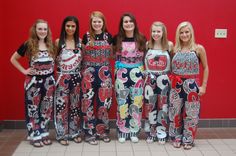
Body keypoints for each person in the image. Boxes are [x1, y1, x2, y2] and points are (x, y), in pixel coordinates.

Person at [10, 19, 56, 147]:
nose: (42, 31)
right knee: (33, 109)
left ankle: (44, 132)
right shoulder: (28, 44)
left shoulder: (51, 45)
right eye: (40, 29)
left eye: (45, 29)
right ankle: (34, 133)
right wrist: (24, 71)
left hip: (49, 82)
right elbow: (13, 59)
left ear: (48, 31)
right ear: (35, 30)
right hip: (33, 83)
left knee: (46, 109)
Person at [169, 21, 209, 150]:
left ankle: (188, 139)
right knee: (175, 112)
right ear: (178, 34)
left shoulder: (198, 49)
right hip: (176, 85)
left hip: (192, 85)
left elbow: (206, 67)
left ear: (191, 32)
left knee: (192, 113)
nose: (184, 34)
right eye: (181, 32)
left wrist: (203, 86)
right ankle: (176, 137)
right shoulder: (174, 49)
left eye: (187, 32)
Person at [113, 13, 146, 143]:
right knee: (122, 101)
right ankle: (122, 130)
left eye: (130, 21)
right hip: (121, 74)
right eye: (125, 21)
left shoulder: (142, 38)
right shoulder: (116, 39)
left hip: (137, 74)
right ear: (122, 24)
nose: (128, 24)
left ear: (134, 23)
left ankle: (134, 130)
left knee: (136, 102)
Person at [81, 11, 113, 145]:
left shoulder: (108, 36)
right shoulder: (86, 36)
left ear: (103, 22)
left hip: (104, 73)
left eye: (99, 21)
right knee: (87, 103)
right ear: (91, 23)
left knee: (104, 104)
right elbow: (82, 54)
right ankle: (89, 132)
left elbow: (111, 54)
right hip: (89, 73)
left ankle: (102, 130)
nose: (97, 24)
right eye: (94, 21)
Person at [54, 16, 83, 146]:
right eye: (68, 26)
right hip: (62, 78)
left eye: (73, 26)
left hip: (76, 78)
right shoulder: (58, 42)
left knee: (75, 106)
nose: (70, 28)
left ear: (76, 28)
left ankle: (74, 132)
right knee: (62, 107)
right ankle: (61, 134)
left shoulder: (80, 43)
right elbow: (53, 60)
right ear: (64, 27)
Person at [144, 21, 173, 144]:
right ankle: (151, 132)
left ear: (163, 32)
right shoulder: (147, 44)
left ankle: (161, 131)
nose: (155, 33)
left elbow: (173, 64)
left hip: (164, 79)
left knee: (163, 105)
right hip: (150, 78)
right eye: (153, 31)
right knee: (150, 105)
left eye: (158, 31)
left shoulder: (169, 45)